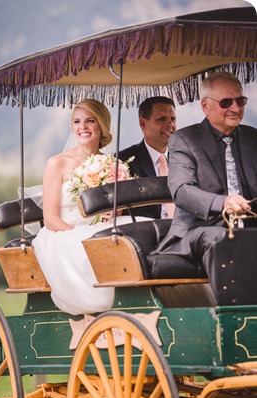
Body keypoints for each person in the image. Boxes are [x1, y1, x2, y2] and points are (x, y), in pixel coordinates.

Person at [32, 98, 149, 315]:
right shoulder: (57, 163)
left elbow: (117, 212)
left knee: (142, 229)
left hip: (101, 227)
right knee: (88, 246)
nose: (82, 127)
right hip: (64, 231)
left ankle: (142, 296)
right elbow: (50, 219)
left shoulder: (113, 165)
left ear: (101, 125)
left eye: (90, 121)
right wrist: (79, 234)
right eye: (77, 122)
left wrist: (110, 214)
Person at [153, 71, 257, 298]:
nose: (236, 108)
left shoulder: (253, 138)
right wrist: (224, 202)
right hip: (199, 229)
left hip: (250, 224)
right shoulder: (184, 139)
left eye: (240, 101)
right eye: (226, 102)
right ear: (205, 106)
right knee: (222, 239)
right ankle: (235, 320)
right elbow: (182, 191)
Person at [119, 96, 177, 218]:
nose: (169, 124)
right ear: (143, 123)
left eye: (173, 119)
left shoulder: (184, 157)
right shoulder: (123, 162)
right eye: (161, 119)